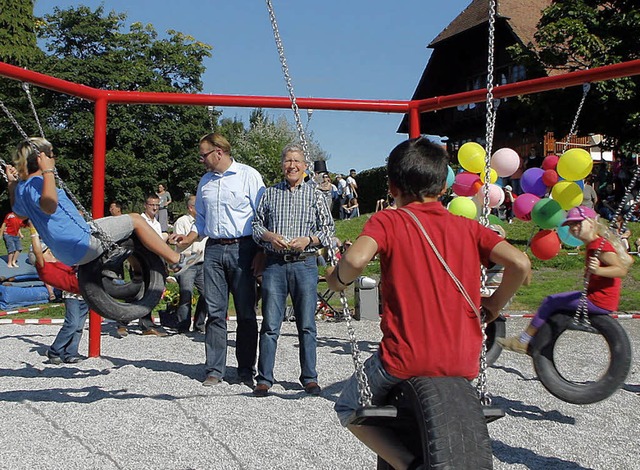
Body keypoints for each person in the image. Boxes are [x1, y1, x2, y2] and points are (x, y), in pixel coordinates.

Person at [325, 137, 530, 469]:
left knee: (348, 407)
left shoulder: (388, 221)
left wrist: (337, 280)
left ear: (392, 186)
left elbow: (357, 258)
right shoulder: (467, 227)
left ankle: (407, 464)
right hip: (464, 361)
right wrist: (492, 305)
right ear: (442, 184)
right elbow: (520, 263)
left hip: (405, 358)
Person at [6, 137, 199, 274]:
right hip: (81, 242)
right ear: (42, 158)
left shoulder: (22, 188)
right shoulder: (41, 181)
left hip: (66, 253)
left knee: (123, 227)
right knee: (136, 220)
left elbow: (18, 213)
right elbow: (49, 206)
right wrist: (48, 171)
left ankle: (138, 271)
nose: (54, 159)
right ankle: (176, 261)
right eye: (52, 156)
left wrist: (11, 183)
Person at [173, 133, 265, 387]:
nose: (201, 160)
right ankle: (214, 369)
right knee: (214, 312)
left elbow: (262, 216)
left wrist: (261, 252)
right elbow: (201, 222)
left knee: (246, 312)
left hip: (244, 248)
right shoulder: (205, 182)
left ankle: (246, 368)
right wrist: (188, 239)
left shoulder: (249, 176)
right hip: (213, 249)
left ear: (219, 152)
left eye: (204, 155)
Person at [251, 143, 335, 397]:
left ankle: (309, 377)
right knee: (270, 325)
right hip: (275, 265)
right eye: (288, 160)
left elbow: (328, 230)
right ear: (282, 165)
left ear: (305, 167)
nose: (292, 165)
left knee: (307, 325)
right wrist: (268, 236)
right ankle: (264, 378)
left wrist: (308, 240)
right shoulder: (269, 193)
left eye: (297, 161)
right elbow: (255, 226)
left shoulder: (315, 195)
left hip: (305, 264)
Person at [499, 206, 632, 355]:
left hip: (599, 300)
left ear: (591, 223)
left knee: (550, 301)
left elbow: (621, 270)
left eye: (578, 223)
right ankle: (536, 339)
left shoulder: (600, 246)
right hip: (595, 296)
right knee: (556, 302)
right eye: (570, 225)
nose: (574, 228)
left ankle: (523, 341)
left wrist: (598, 270)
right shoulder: (594, 244)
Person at [29, 226, 88, 364]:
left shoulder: (60, 261)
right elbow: (37, 251)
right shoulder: (43, 267)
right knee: (72, 324)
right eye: (47, 251)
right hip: (71, 295)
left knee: (79, 326)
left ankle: (71, 353)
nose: (51, 253)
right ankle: (54, 350)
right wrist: (33, 232)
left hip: (84, 292)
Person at [116, 194, 170, 337]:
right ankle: (122, 322)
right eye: (152, 205)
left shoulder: (156, 224)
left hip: (153, 264)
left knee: (149, 293)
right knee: (136, 293)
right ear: (145, 205)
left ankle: (146, 324)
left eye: (157, 205)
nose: (155, 208)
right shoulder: (139, 221)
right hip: (140, 262)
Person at [173, 195, 207, 334]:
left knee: (207, 294)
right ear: (191, 208)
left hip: (202, 261)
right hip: (187, 261)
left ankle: (199, 324)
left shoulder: (204, 221)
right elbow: (179, 242)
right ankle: (183, 326)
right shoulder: (182, 222)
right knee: (186, 294)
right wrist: (194, 236)